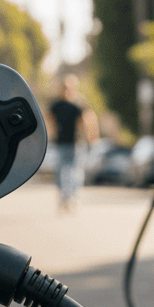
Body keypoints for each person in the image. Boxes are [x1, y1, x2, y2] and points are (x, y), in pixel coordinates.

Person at [47, 74, 96, 210]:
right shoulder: (57, 105)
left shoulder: (77, 104)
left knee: (75, 172)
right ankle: (64, 197)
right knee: (62, 172)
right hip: (60, 143)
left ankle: (72, 197)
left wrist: (91, 138)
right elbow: (49, 120)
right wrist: (50, 134)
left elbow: (85, 121)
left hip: (76, 143)